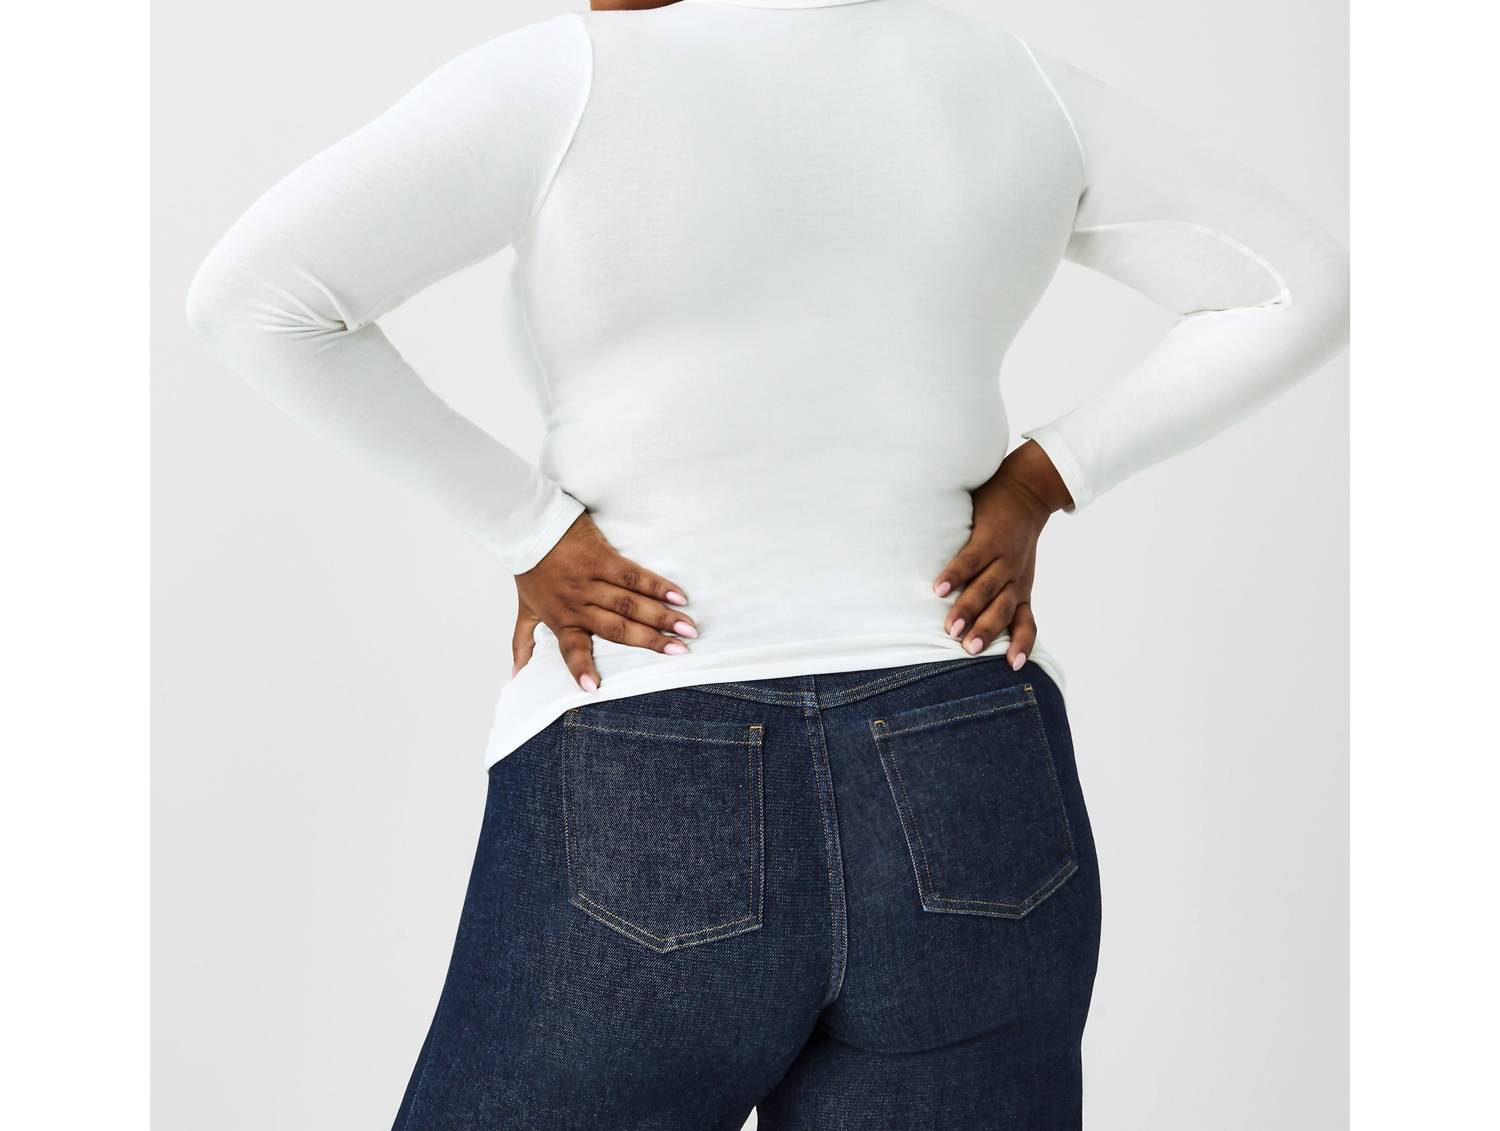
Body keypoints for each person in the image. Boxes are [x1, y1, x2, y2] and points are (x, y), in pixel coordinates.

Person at [186, 0, 1349, 1126]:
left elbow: (253, 298)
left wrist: (528, 530)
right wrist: (1044, 479)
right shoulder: (1012, 79)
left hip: (653, 739)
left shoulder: (567, 78)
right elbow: (1299, 286)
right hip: (968, 754)